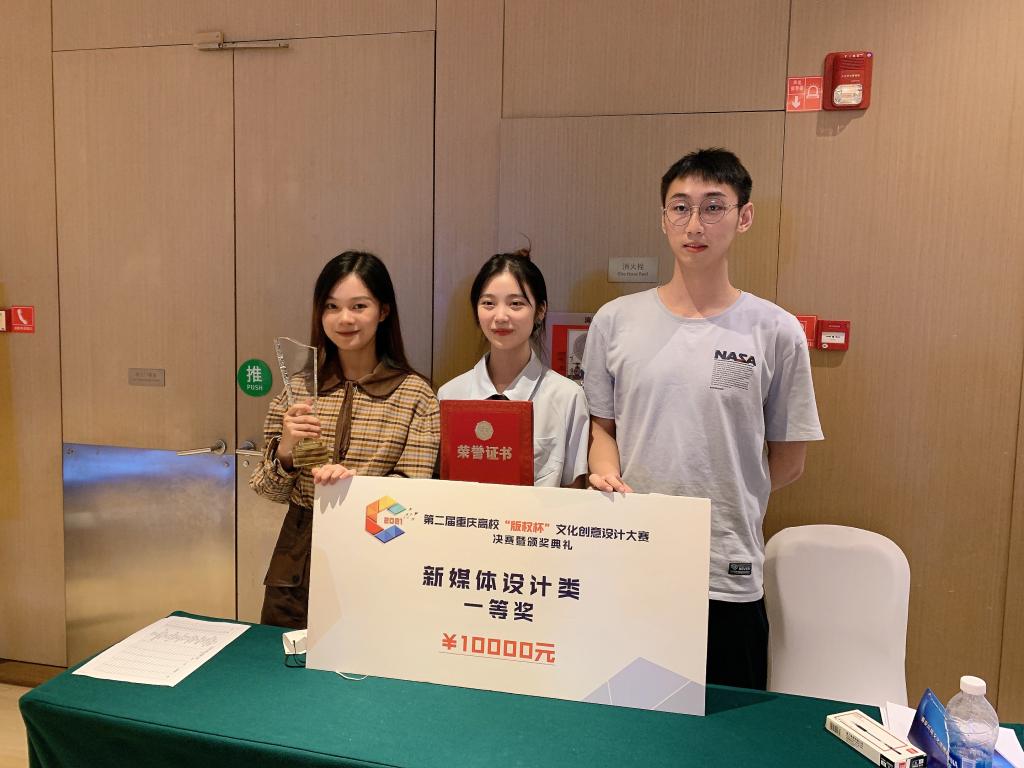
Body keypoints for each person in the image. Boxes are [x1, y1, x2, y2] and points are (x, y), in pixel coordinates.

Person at [582, 148, 824, 690]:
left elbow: (789, 461)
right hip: (632, 558)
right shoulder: (615, 322)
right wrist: (606, 470)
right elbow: (602, 427)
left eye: (713, 207)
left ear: (744, 216)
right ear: (663, 217)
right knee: (626, 718)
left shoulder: (775, 330)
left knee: (725, 726)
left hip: (727, 568)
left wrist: (727, 488)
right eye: (680, 207)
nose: (694, 225)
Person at [250, 251, 439, 628]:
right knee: (280, 661)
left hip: (375, 564)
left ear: (383, 311)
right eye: (332, 306)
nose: (344, 319)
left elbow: (412, 499)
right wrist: (285, 451)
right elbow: (267, 491)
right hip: (295, 567)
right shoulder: (298, 391)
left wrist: (357, 492)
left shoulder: (415, 395)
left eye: (359, 306)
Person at [438, 249, 589, 487]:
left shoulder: (568, 397)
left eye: (516, 304)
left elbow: (575, 492)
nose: (500, 316)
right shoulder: (450, 396)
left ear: (540, 310)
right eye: (488, 303)